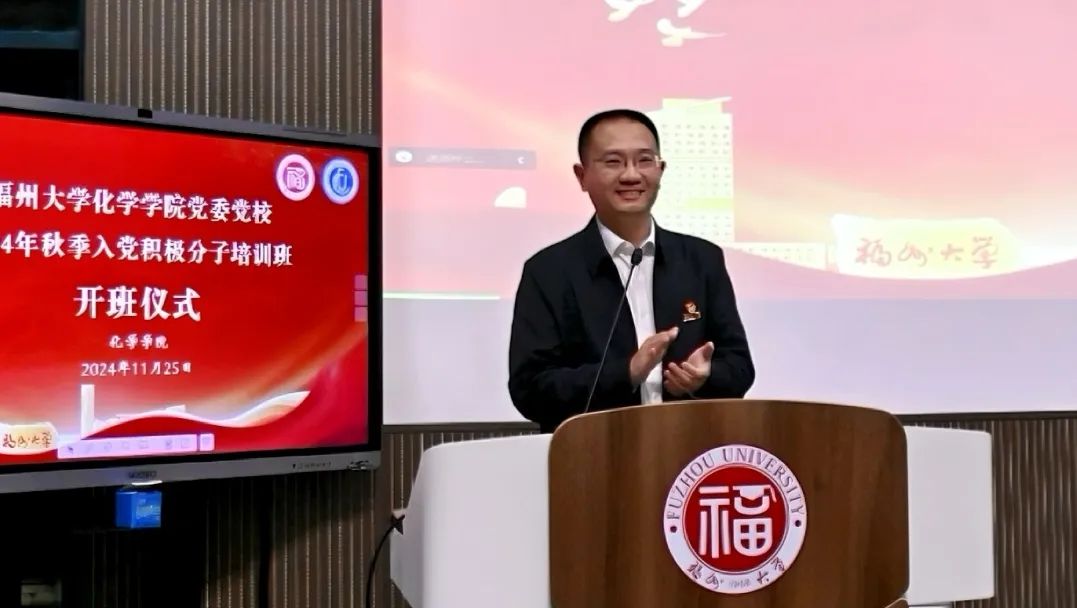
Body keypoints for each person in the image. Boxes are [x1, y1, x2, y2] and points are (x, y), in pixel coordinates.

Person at [507, 108, 755, 433]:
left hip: (689, 450)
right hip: (593, 451)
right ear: (582, 176)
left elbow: (740, 367)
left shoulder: (701, 259)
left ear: (661, 170)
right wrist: (626, 373)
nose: (631, 175)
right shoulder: (549, 271)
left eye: (644, 160)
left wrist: (705, 377)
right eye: (613, 162)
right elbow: (530, 389)